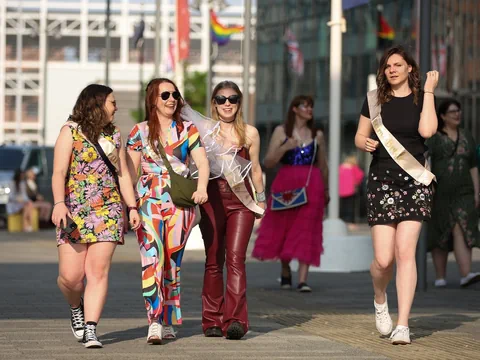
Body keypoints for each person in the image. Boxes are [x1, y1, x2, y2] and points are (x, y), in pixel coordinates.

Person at [354, 46, 439, 345]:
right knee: (383, 259)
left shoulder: (421, 98)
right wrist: (364, 142)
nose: (392, 70)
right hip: (382, 181)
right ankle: (380, 297)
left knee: (406, 253)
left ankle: (403, 324)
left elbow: (427, 131)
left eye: (398, 65)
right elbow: (359, 135)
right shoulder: (374, 99)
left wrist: (428, 91)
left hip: (414, 181)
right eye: (388, 66)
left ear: (410, 69)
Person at [51, 84, 140, 348]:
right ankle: (75, 305)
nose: (116, 108)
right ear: (97, 104)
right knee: (71, 277)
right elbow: (58, 172)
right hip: (74, 211)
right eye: (112, 103)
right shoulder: (70, 131)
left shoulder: (114, 134)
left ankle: (91, 328)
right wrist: (58, 203)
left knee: (97, 272)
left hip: (108, 210)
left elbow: (123, 174)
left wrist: (131, 207)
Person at [126, 78, 209, 344]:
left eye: (174, 94)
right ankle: (154, 321)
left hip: (178, 203)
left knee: (172, 262)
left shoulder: (188, 129)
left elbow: (202, 163)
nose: (171, 99)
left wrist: (202, 188)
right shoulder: (138, 132)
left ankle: (170, 320)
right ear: (152, 99)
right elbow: (129, 171)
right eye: (165, 95)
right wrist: (130, 206)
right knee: (152, 259)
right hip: (148, 200)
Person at [197, 81, 266, 340]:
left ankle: (236, 320)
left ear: (239, 103)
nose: (227, 103)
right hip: (211, 201)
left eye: (233, 99)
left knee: (236, 260)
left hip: (241, 203)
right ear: (214, 103)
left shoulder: (250, 133)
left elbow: (256, 168)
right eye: (222, 99)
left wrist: (261, 200)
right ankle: (211, 320)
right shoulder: (204, 132)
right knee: (214, 260)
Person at [252, 95, 329, 293]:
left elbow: (322, 164)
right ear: (294, 109)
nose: (309, 109)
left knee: (307, 229)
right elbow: (268, 162)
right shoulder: (281, 131)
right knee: (283, 227)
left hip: (312, 185)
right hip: (285, 184)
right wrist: (285, 147)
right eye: (305, 105)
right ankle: (285, 269)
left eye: (311, 106)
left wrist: (326, 189)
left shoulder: (317, 134)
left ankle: (303, 279)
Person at [426, 98, 480, 288]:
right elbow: (427, 162)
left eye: (458, 111)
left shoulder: (466, 135)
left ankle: (466, 274)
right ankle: (440, 276)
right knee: (440, 231)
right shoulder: (434, 138)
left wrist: (476, 192)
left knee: (462, 227)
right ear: (442, 116)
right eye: (452, 112)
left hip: (464, 192)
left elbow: (473, 165)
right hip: (439, 193)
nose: (457, 114)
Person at [339, 154, 364, 230]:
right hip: (350, 190)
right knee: (350, 207)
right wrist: (356, 183)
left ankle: (343, 221)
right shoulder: (353, 168)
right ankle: (350, 223)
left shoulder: (340, 167)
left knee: (342, 206)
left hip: (341, 190)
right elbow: (360, 175)